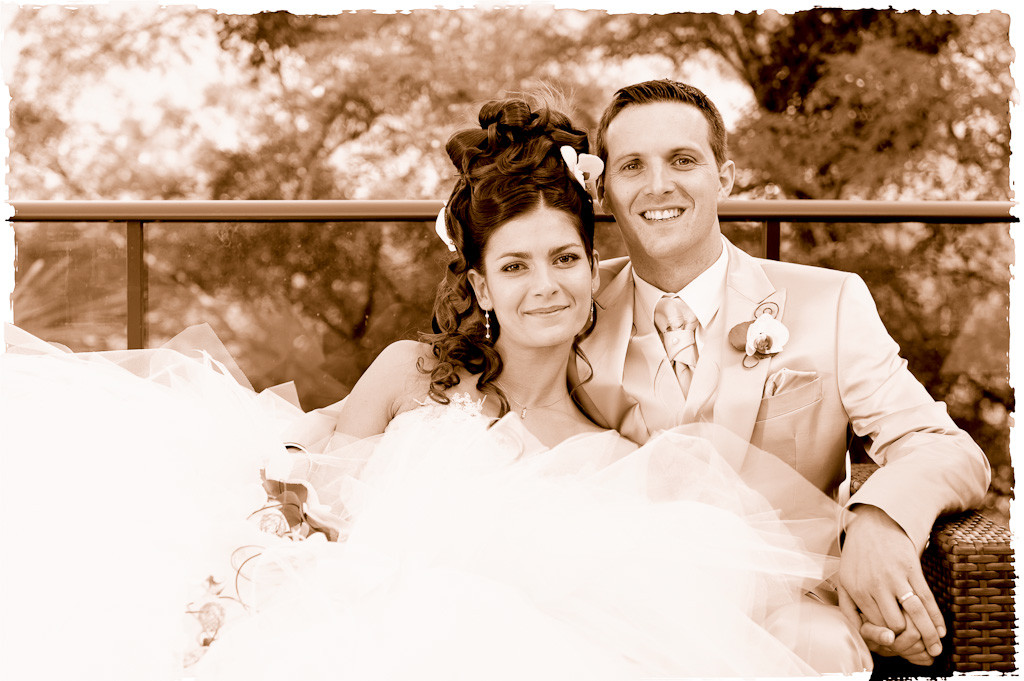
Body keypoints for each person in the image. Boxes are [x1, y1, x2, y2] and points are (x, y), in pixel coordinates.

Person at [4, 97, 856, 679]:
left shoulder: (611, 444)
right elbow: (297, 497)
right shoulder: (411, 374)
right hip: (323, 625)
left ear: (592, 269)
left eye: (564, 259)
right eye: (514, 267)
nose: (545, 286)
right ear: (480, 284)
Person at [572, 78, 992, 669]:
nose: (658, 184)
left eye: (683, 160)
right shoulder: (569, 310)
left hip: (788, 605)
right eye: (632, 166)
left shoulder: (831, 302)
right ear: (603, 189)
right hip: (618, 602)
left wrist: (879, 520)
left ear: (725, 177)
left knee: (821, 651)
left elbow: (944, 446)